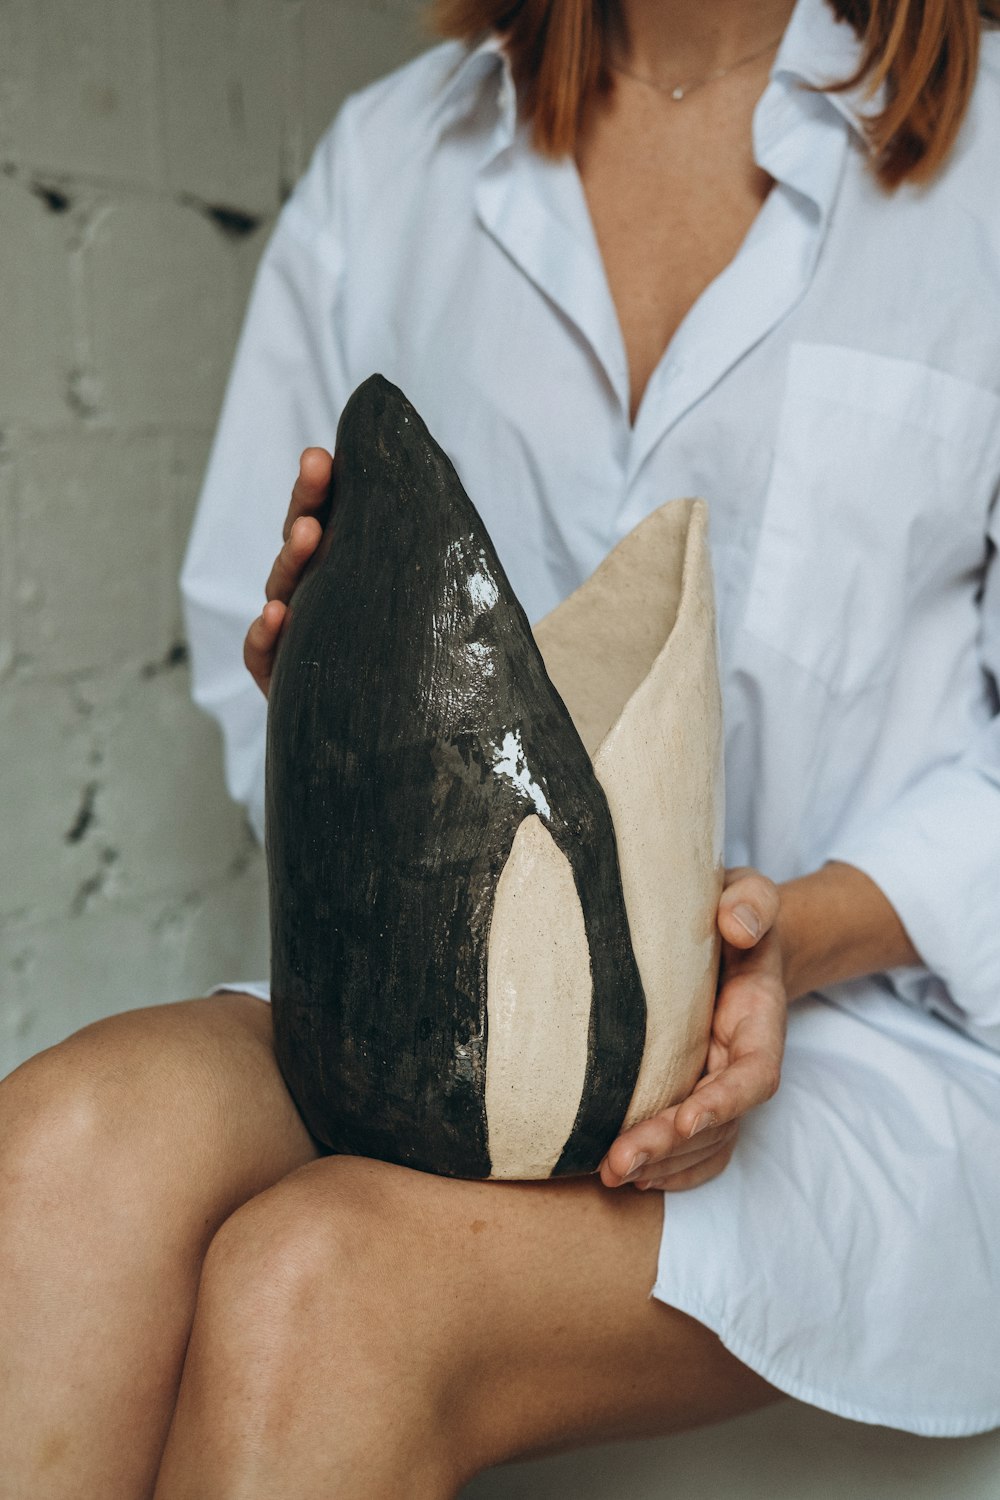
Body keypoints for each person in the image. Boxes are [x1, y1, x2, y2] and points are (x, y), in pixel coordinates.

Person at [2, 0, 999, 1493]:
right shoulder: (393, 159)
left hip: (887, 1041)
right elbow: (237, 628)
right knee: (58, 1152)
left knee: (320, 1293)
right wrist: (326, 696)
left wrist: (797, 934)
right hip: (444, 1007)